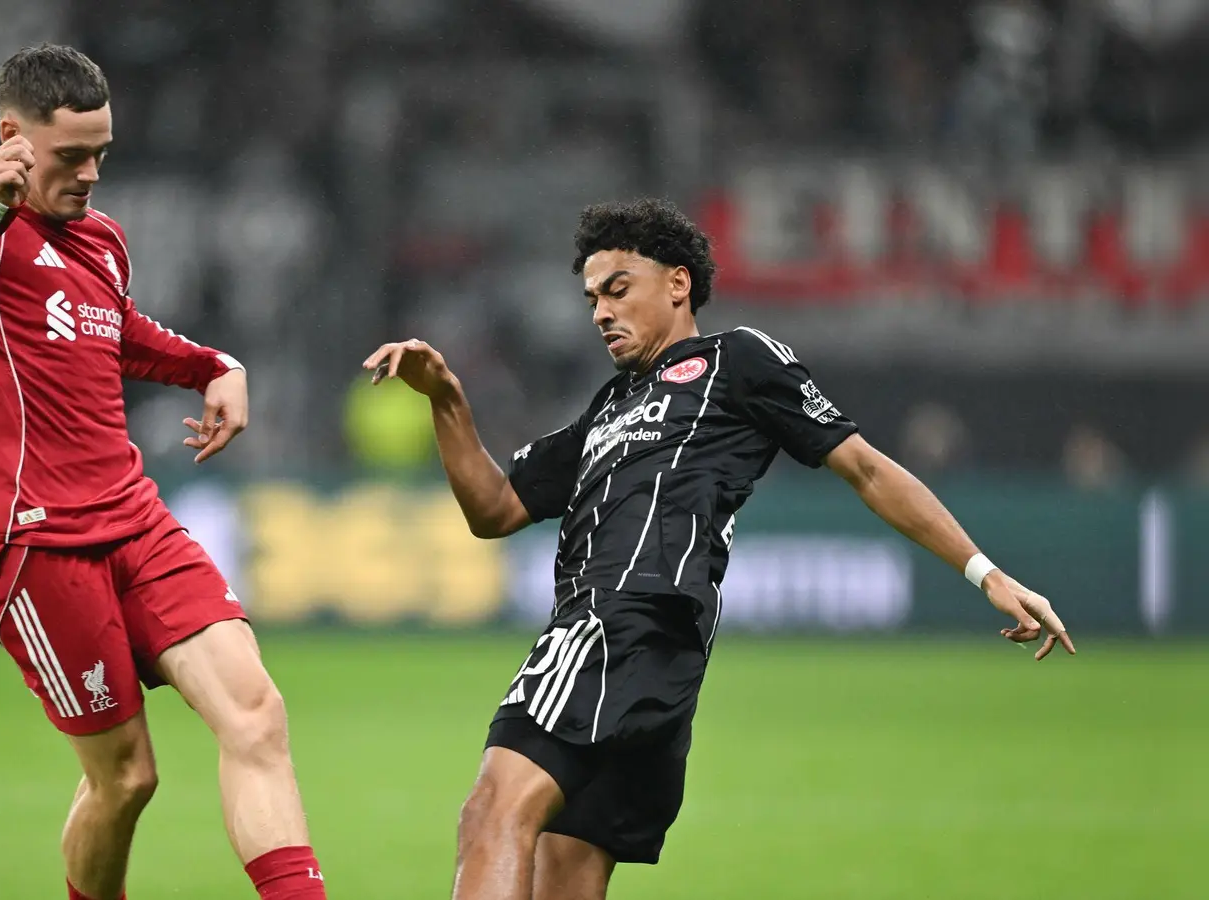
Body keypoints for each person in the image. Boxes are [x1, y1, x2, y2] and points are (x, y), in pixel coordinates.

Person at [362, 198, 1075, 900]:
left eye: (618, 289)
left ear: (678, 283)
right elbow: (495, 508)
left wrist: (984, 572)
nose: (601, 313)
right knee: (563, 875)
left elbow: (864, 466)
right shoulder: (607, 409)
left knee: (491, 813)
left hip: (616, 629)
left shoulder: (735, 361)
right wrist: (448, 401)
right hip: (657, 667)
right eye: (591, 300)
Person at [0, 44, 327, 900]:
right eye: (70, 156)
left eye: (101, 155)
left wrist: (212, 364)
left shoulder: (102, 241)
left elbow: (115, 334)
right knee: (126, 780)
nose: (89, 174)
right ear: (13, 138)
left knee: (256, 714)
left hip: (134, 518)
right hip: (34, 543)